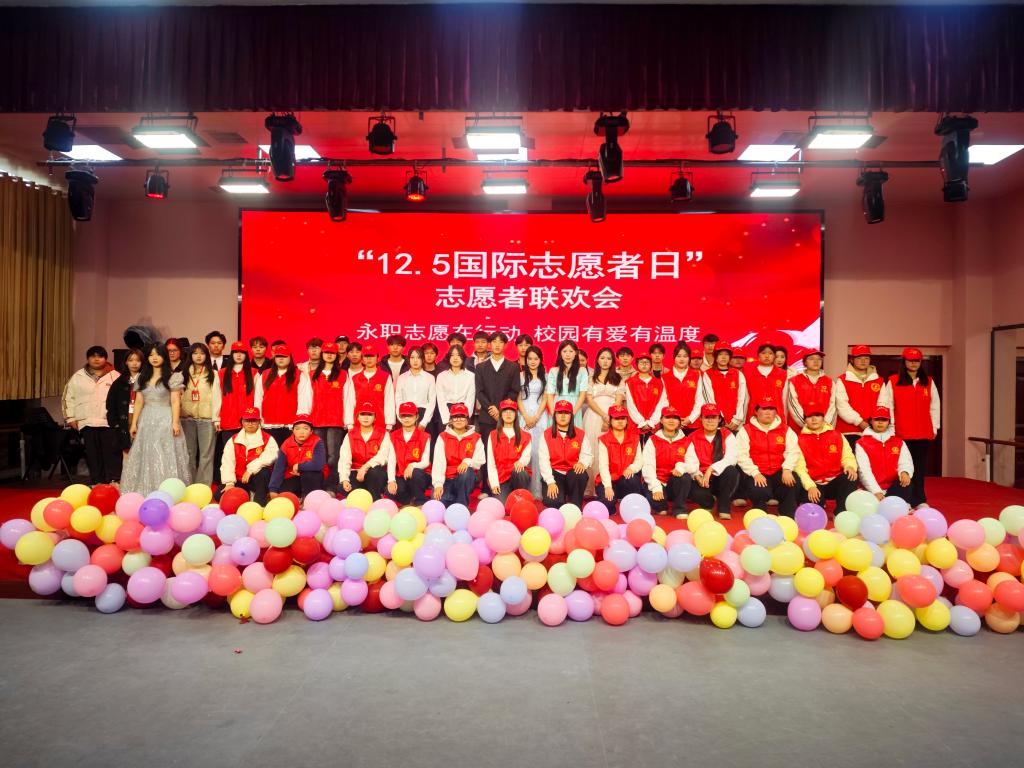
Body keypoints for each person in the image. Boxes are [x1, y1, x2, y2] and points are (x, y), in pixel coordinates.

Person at [120, 343, 192, 495]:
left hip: (165, 418)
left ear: (164, 356)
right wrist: (134, 424)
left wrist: (175, 422)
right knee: (147, 454)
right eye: (151, 355)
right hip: (146, 420)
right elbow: (139, 401)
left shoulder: (173, 377)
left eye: (158, 354)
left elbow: (175, 401)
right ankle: (145, 489)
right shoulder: (142, 377)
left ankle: (168, 492)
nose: (154, 358)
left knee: (165, 454)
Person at [878, 347, 940, 507]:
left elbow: (935, 406)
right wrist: (891, 428)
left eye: (917, 361)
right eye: (910, 360)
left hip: (923, 432)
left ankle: (919, 500)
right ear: (904, 362)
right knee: (903, 468)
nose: (913, 364)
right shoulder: (893, 381)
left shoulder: (928, 382)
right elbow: (887, 405)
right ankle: (904, 500)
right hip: (901, 433)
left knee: (919, 468)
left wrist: (934, 427)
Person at [63, 345, 121, 485]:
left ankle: (113, 481)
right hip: (86, 421)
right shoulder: (78, 377)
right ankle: (96, 482)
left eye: (100, 356)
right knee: (92, 455)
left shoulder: (115, 376)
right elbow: (68, 398)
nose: (96, 359)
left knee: (111, 453)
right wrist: (70, 418)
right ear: (87, 359)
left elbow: (122, 399)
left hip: (108, 422)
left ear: (105, 359)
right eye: (93, 356)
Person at [735, 398, 800, 517]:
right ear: (756, 412)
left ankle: (786, 513)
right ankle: (760, 513)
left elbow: (793, 451)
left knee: (793, 481)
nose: (768, 412)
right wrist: (755, 473)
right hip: (758, 472)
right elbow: (741, 455)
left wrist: (787, 469)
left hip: (779, 471)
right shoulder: (746, 430)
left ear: (776, 412)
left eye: (771, 409)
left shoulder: (786, 430)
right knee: (758, 490)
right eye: (764, 409)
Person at [794, 401, 859, 514]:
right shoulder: (799, 440)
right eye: (809, 416)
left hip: (834, 481)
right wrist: (810, 487)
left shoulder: (837, 435)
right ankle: (818, 502)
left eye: (817, 415)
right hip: (814, 483)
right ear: (805, 420)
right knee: (815, 510)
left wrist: (850, 466)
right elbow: (799, 468)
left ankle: (841, 512)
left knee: (850, 477)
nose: (814, 419)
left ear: (823, 418)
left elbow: (847, 456)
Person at [680, 404, 741, 520]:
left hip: (720, 477)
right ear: (701, 419)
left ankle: (723, 506)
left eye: (714, 417)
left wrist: (711, 469)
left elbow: (731, 458)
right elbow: (690, 460)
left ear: (719, 419)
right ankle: (709, 502)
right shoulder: (692, 437)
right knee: (695, 492)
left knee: (731, 471)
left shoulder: (727, 434)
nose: (710, 421)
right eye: (707, 417)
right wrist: (697, 475)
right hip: (702, 478)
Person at [583, 347, 626, 492]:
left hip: (614, 417)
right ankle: (591, 487)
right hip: (593, 416)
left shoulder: (618, 378)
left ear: (613, 361)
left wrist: (610, 418)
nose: (605, 361)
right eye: (602, 358)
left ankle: (607, 487)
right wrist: (603, 415)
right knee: (592, 448)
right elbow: (589, 400)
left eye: (608, 358)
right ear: (597, 360)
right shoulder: (590, 378)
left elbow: (619, 399)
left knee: (609, 451)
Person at [308, 341, 347, 494]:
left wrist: (347, 420)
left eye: (332, 353)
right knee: (319, 456)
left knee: (333, 457)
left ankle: (331, 487)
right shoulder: (312, 374)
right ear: (322, 354)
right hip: (317, 420)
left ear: (336, 355)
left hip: (335, 421)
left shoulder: (342, 374)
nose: (329, 355)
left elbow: (347, 398)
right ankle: (318, 487)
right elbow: (307, 398)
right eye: (326, 352)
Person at [180, 342, 222, 486]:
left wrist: (216, 418)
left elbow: (217, 397)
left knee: (206, 455)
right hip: (186, 419)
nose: (199, 356)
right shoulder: (183, 374)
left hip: (207, 419)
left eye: (202, 353)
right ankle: (189, 485)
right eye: (195, 353)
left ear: (207, 356)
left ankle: (203, 486)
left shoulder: (213, 374)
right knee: (189, 454)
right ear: (190, 355)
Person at [218, 407, 279, 505]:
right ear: (242, 422)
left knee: (264, 473)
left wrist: (250, 470)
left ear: (259, 422)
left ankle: (259, 503)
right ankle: (247, 495)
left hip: (256, 479)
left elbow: (270, 457)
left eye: (253, 421)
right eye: (247, 421)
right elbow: (227, 463)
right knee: (219, 495)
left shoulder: (268, 439)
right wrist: (229, 483)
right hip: (238, 479)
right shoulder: (233, 440)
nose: (250, 424)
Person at [854, 406, 915, 503]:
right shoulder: (861, 443)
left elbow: (905, 462)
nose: (880, 422)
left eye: (884, 419)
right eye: (877, 419)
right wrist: (876, 491)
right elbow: (864, 471)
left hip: (892, 488)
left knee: (906, 483)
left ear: (889, 422)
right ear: (871, 421)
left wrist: (904, 472)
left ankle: (902, 505)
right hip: (870, 490)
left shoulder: (899, 442)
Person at [255, 344, 312, 446]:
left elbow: (303, 399)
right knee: (270, 454)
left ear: (290, 357)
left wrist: (300, 421)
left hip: (290, 424)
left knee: (289, 454)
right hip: (268, 423)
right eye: (278, 356)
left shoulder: (299, 374)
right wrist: (258, 418)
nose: (281, 359)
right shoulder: (265, 374)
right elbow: (258, 398)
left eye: (284, 356)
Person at [475, 331, 521, 457]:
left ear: (505, 345)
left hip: (506, 417)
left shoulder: (513, 367)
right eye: (494, 342)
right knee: (487, 452)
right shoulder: (481, 367)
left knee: (506, 452)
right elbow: (479, 392)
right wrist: (492, 409)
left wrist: (500, 410)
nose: (497, 345)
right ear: (490, 345)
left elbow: (514, 390)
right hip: (486, 416)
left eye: (501, 342)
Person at [539, 400, 592, 508]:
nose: (563, 416)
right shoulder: (546, 434)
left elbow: (587, 455)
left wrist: (582, 463)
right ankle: (561, 497)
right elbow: (543, 461)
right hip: (555, 474)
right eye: (560, 412)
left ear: (571, 416)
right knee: (553, 503)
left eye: (566, 413)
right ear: (555, 415)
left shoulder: (580, 434)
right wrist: (550, 482)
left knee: (580, 474)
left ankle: (575, 504)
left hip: (573, 474)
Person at [641, 407, 691, 516]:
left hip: (675, 481)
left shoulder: (686, 440)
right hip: (657, 481)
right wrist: (655, 487)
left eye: (675, 418)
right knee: (661, 510)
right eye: (668, 417)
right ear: (661, 420)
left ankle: (679, 509)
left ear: (679, 421)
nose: (671, 421)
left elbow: (693, 464)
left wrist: (681, 467)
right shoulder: (653, 440)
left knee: (685, 477)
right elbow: (648, 466)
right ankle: (661, 500)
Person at [596, 405, 646, 513]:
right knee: (607, 504)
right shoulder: (604, 440)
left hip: (625, 478)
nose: (620, 421)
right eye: (616, 418)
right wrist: (608, 487)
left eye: (623, 418)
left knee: (633, 479)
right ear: (610, 420)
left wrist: (631, 468)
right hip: (609, 480)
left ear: (627, 420)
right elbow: (603, 466)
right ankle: (612, 502)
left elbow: (639, 460)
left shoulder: (635, 438)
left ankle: (630, 505)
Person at [431, 403, 484, 506]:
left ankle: (462, 504)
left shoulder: (476, 437)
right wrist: (438, 484)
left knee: (466, 472)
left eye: (462, 417)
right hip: (446, 480)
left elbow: (480, 460)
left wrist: (467, 461)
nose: (458, 420)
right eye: (455, 417)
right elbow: (438, 463)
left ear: (467, 419)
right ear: (451, 420)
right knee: (439, 503)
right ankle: (452, 497)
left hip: (465, 479)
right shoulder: (442, 437)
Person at [217, 341, 257, 471]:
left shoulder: (254, 373)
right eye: (236, 352)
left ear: (246, 355)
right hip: (227, 420)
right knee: (229, 454)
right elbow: (217, 397)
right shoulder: (221, 373)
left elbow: (258, 399)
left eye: (242, 353)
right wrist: (216, 418)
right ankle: (229, 479)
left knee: (247, 454)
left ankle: (245, 478)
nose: (239, 355)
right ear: (231, 354)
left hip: (248, 421)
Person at [834, 344, 883, 450]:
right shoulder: (842, 380)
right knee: (850, 460)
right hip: (848, 431)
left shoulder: (879, 380)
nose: (863, 361)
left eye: (866, 358)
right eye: (859, 358)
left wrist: (874, 424)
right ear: (852, 360)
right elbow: (842, 405)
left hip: (873, 430)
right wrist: (860, 422)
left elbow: (882, 405)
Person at [338, 402, 390, 499]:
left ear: (375, 418)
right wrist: (344, 479)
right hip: (356, 472)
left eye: (369, 414)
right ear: (357, 417)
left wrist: (365, 467)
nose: (366, 417)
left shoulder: (383, 434)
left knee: (375, 473)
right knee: (342, 487)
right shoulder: (350, 435)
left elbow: (383, 456)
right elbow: (344, 459)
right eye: (362, 414)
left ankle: (375, 499)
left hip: (374, 472)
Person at [268, 415, 325, 499]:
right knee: (284, 495)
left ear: (311, 431)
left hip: (312, 475)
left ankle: (308, 499)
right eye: (297, 429)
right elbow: (279, 468)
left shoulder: (317, 442)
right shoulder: (286, 444)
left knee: (309, 476)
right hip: (293, 475)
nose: (301, 432)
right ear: (293, 431)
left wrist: (299, 466)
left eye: (305, 428)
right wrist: (273, 489)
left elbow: (318, 464)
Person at [487, 399, 532, 502]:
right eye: (505, 411)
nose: (508, 414)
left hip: (517, 476)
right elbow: (491, 463)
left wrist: (521, 462)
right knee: (503, 506)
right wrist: (494, 483)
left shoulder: (525, 436)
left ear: (515, 415)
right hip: (501, 478)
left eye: (511, 411)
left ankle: (521, 496)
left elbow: (526, 456)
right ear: (501, 414)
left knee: (520, 471)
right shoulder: (493, 435)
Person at [387, 402, 432, 506]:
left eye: (410, 415)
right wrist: (391, 481)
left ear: (416, 417)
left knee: (416, 473)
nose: (406, 418)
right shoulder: (393, 436)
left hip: (419, 475)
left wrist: (412, 465)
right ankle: (409, 500)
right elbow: (391, 461)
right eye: (403, 416)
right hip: (401, 475)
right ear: (399, 417)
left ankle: (420, 501)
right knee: (390, 491)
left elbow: (425, 462)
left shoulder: (425, 436)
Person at [519, 345, 549, 498]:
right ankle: (522, 490)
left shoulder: (546, 376)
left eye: (535, 359)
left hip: (540, 416)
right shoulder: (520, 376)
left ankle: (537, 490)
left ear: (540, 360)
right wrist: (526, 416)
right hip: (523, 416)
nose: (532, 361)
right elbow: (518, 398)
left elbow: (545, 398)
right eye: (529, 358)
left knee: (538, 452)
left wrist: (536, 416)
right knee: (524, 451)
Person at [343, 343, 395, 429]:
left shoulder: (385, 377)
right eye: (366, 356)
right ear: (362, 359)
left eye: (372, 356)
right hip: (359, 422)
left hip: (380, 422)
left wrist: (389, 423)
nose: (369, 359)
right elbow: (350, 402)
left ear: (377, 358)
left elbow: (389, 401)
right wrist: (349, 423)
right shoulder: (355, 378)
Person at [106, 348, 143, 463]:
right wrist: (115, 424)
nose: (134, 363)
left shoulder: (147, 381)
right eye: (131, 360)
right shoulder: (119, 382)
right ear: (126, 362)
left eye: (138, 360)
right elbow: (110, 404)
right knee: (127, 456)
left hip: (143, 419)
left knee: (144, 454)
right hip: (124, 422)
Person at [701, 342, 748, 431]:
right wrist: (721, 419)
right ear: (715, 356)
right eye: (720, 354)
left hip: (736, 423)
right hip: (717, 422)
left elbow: (743, 399)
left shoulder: (738, 374)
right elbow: (709, 399)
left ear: (730, 357)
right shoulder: (708, 374)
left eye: (726, 354)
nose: (723, 357)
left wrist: (737, 419)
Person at [624, 352, 668, 444]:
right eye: (641, 362)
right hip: (635, 424)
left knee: (653, 448)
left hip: (654, 424)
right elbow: (630, 405)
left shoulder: (659, 383)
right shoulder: (630, 382)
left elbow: (662, 403)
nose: (644, 365)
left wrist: (652, 422)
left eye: (647, 362)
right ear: (636, 365)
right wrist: (641, 422)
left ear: (651, 365)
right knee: (636, 448)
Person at [434, 346, 476, 441]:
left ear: (463, 357)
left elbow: (470, 398)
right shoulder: (441, 376)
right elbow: (440, 399)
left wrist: (466, 418)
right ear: (449, 358)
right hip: (446, 410)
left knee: (464, 441)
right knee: (446, 441)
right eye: (452, 355)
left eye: (458, 355)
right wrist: (446, 419)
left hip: (464, 410)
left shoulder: (470, 376)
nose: (455, 358)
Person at [787, 349, 836, 430]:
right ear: (805, 362)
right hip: (800, 430)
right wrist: (807, 426)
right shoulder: (794, 381)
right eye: (811, 359)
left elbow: (833, 407)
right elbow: (793, 406)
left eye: (819, 359)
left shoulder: (829, 382)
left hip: (823, 429)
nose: (816, 361)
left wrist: (825, 427)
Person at [662, 343, 705, 431]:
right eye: (679, 356)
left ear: (689, 358)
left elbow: (700, 399)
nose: (682, 359)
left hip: (694, 424)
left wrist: (690, 418)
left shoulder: (697, 375)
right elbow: (664, 401)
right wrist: (674, 419)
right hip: (671, 424)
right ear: (674, 358)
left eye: (685, 356)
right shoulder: (665, 377)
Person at [545, 339, 589, 427]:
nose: (568, 354)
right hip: (557, 407)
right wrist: (554, 414)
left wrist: (573, 414)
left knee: (574, 434)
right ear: (560, 353)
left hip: (575, 407)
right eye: (564, 351)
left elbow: (582, 395)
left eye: (571, 351)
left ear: (575, 353)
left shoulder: (582, 371)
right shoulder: (553, 371)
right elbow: (549, 395)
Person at [395, 347, 436, 430]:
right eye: (412, 357)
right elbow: (398, 400)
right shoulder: (402, 378)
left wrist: (424, 422)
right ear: (409, 359)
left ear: (423, 359)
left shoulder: (430, 378)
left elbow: (432, 401)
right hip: (406, 414)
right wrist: (401, 419)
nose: (415, 360)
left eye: (418, 357)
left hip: (424, 414)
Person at [745, 343, 788, 420]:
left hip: (777, 416)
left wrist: (784, 418)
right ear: (758, 356)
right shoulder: (749, 373)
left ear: (774, 356)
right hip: (754, 415)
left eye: (770, 353)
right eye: (763, 353)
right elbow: (746, 397)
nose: (767, 356)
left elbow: (785, 398)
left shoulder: (782, 374)